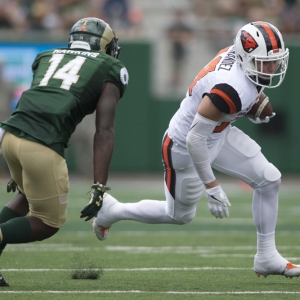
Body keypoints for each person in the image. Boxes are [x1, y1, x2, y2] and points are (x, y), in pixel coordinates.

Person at [92, 21, 300, 278]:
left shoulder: (241, 64)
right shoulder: (231, 88)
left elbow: (226, 103)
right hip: (184, 145)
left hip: (217, 133)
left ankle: (267, 257)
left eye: (275, 61)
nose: (272, 68)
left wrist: (250, 108)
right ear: (246, 57)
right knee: (179, 215)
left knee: (269, 180)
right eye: (265, 62)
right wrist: (211, 186)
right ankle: (112, 210)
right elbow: (195, 138)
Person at [0, 17, 129, 286]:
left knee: (27, 197)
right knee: (47, 223)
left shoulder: (46, 56)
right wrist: (99, 186)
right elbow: (104, 131)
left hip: (10, 136)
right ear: (102, 44)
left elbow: (41, 97)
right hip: (42, 145)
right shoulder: (110, 67)